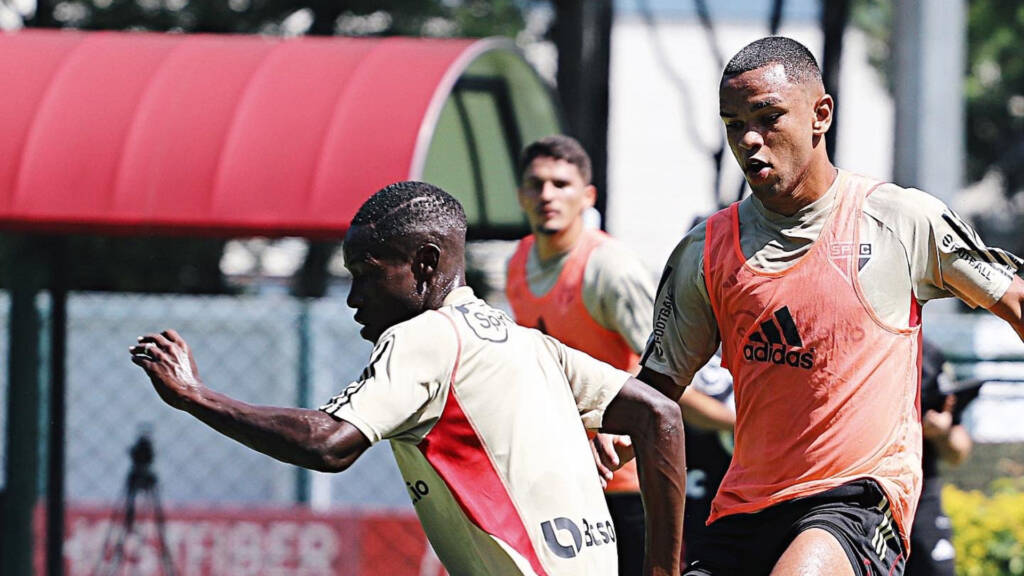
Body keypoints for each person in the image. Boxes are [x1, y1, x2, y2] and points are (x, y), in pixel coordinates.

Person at [130, 181, 686, 576]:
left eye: (366, 274)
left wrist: (195, 396)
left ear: (425, 264)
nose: (353, 297)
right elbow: (658, 414)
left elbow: (329, 443)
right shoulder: (525, 342)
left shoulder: (425, 336)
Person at [632, 36, 1024, 576]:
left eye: (768, 117)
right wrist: (604, 443)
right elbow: (656, 393)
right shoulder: (704, 252)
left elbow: (1016, 301)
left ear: (821, 115)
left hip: (858, 501)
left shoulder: (899, 220)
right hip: (744, 508)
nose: (749, 139)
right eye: (733, 124)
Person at [506, 135, 732, 574]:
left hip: (626, 480)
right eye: (536, 184)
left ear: (587, 196)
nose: (547, 195)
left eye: (561, 184)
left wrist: (736, 424)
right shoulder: (518, 262)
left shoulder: (610, 270)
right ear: (520, 195)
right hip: (561, 478)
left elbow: (671, 376)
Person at [907, 339, 980, 576]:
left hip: (920, 495)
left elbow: (958, 452)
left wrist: (940, 431)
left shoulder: (927, 355)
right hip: (863, 493)